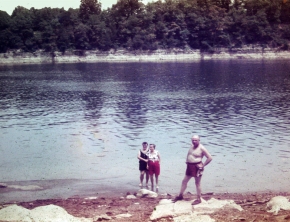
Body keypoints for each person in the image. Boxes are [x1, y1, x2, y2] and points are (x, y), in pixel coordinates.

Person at [174, 135, 212, 204]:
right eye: (193, 140)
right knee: (184, 181)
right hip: (189, 166)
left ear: (199, 140)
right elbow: (189, 154)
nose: (194, 141)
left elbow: (210, 158)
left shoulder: (202, 148)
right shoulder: (192, 146)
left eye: (195, 140)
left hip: (197, 166)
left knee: (197, 183)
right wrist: (187, 160)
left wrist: (203, 165)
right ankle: (180, 195)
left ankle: (199, 198)